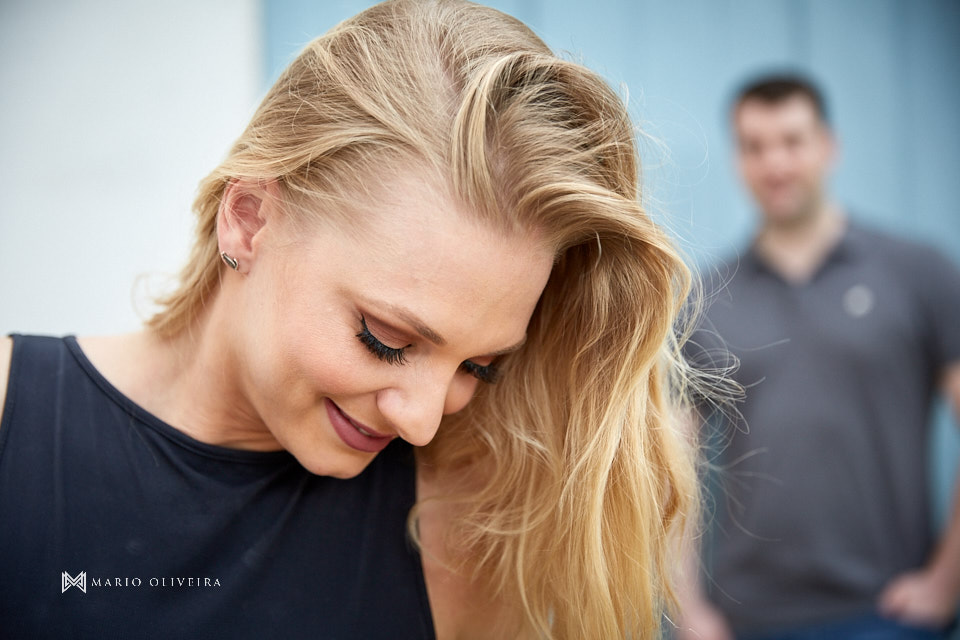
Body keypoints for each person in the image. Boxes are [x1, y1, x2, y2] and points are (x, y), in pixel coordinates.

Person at [0, 1, 703, 638]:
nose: (423, 421)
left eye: (478, 366)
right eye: (387, 339)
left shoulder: (459, 531)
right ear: (249, 220)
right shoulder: (13, 416)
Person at [677, 74, 960, 639]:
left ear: (829, 146)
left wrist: (947, 583)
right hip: (749, 621)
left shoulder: (917, 272)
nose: (774, 163)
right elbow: (671, 468)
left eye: (792, 141)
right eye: (754, 146)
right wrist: (688, 612)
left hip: (887, 614)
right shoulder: (707, 299)